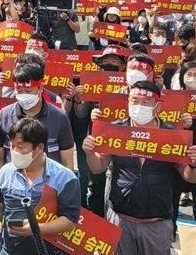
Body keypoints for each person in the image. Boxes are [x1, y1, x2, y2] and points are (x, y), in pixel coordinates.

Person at [83, 81, 196, 255]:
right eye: (134, 101)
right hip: (120, 219)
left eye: (145, 103)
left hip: (156, 222)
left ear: (157, 107)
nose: (138, 106)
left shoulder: (172, 135)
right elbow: (98, 168)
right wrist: (90, 153)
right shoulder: (115, 130)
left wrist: (193, 163)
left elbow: (189, 177)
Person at [0, 118, 80, 255]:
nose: (14, 151)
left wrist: (37, 228)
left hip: (48, 251)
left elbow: (70, 220)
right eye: (12, 146)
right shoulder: (6, 171)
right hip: (9, 249)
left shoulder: (64, 178)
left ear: (39, 148)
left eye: (21, 146)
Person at [0, 53, 75, 191]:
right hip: (12, 192)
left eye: (28, 90)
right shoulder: (4, 115)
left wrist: (66, 196)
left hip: (48, 192)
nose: (24, 95)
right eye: (19, 90)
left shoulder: (59, 118)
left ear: (41, 88)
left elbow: (67, 162)